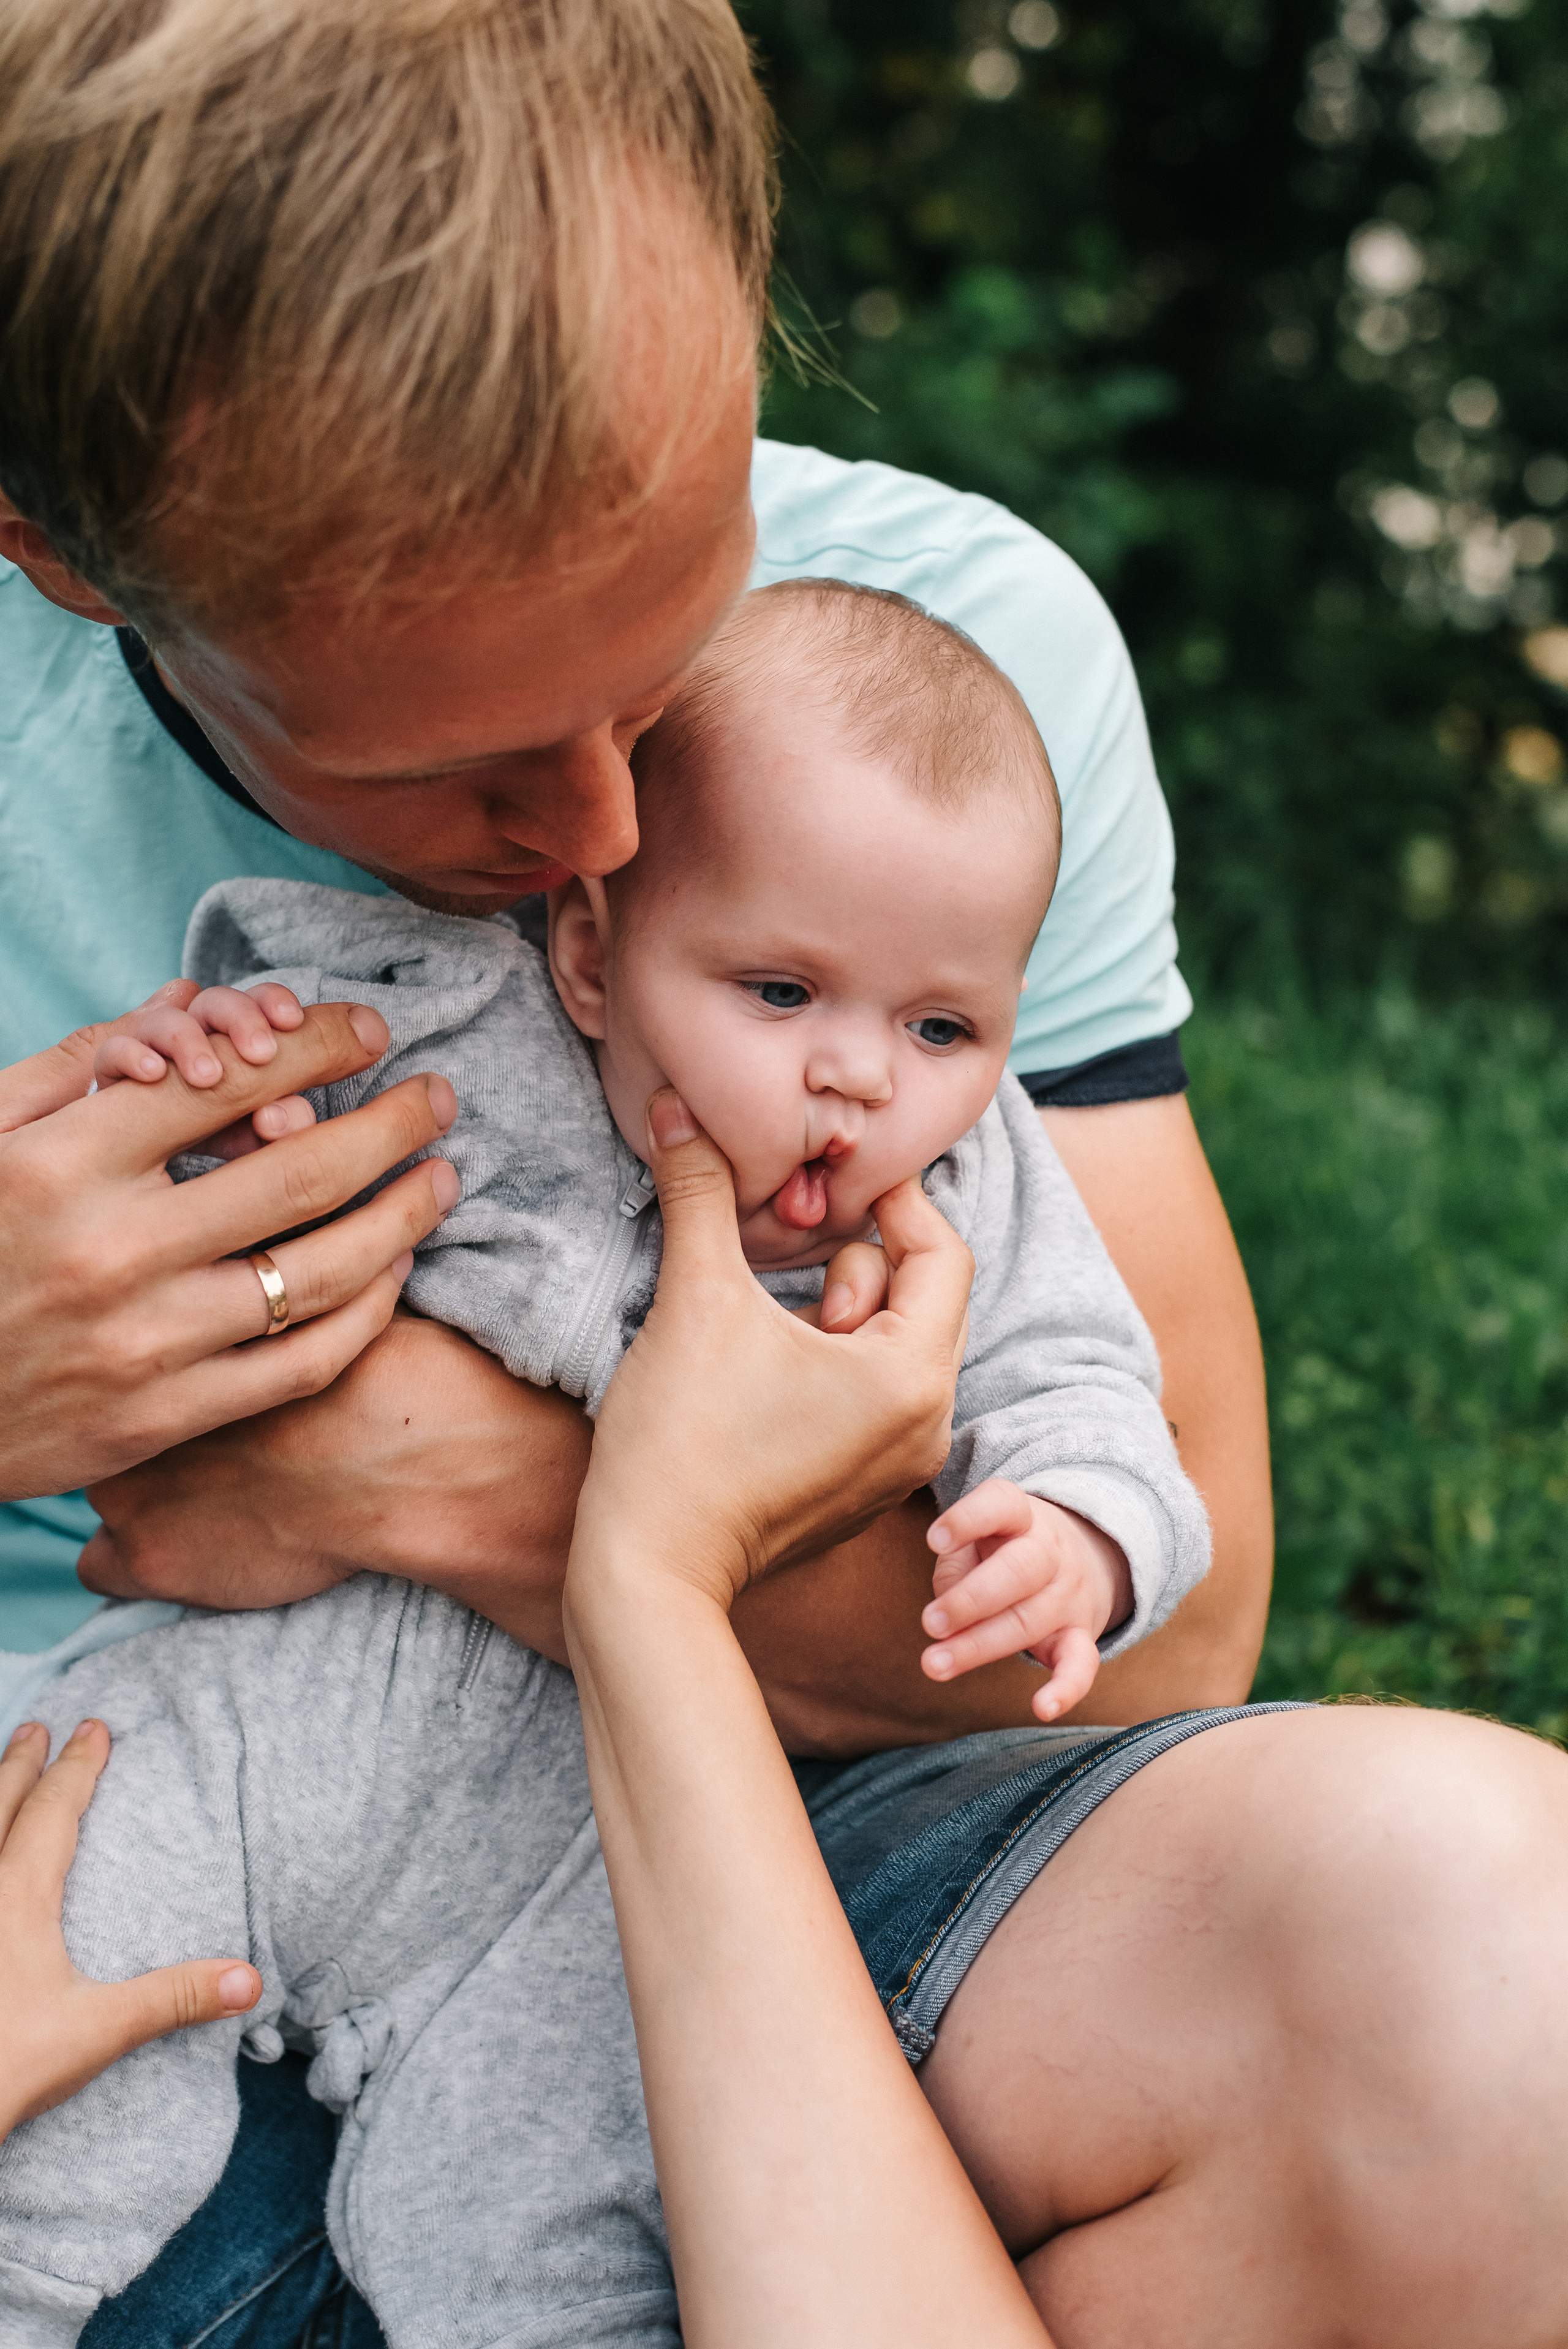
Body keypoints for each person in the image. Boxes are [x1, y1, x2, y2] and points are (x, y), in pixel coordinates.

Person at [5, 2, 1563, 2342]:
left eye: (655, 656)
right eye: (454, 779)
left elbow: (1161, 1648)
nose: (610, 847)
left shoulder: (953, 694)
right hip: (115, 1900)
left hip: (800, 1854)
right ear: (70, 560)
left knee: (1497, 1980)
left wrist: (449, 1484)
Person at [0, 581, 1218, 2343]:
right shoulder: (475, 1044)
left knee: (578, 2205)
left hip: (579, 1837)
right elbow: (258, 1030)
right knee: (68, 1948)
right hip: (275, 1724)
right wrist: (208, 1062)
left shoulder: (971, 1199)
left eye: (945, 1026)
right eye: (780, 987)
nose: (860, 1077)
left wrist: (1077, 1529)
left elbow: (1098, 1395)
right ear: (590, 951)